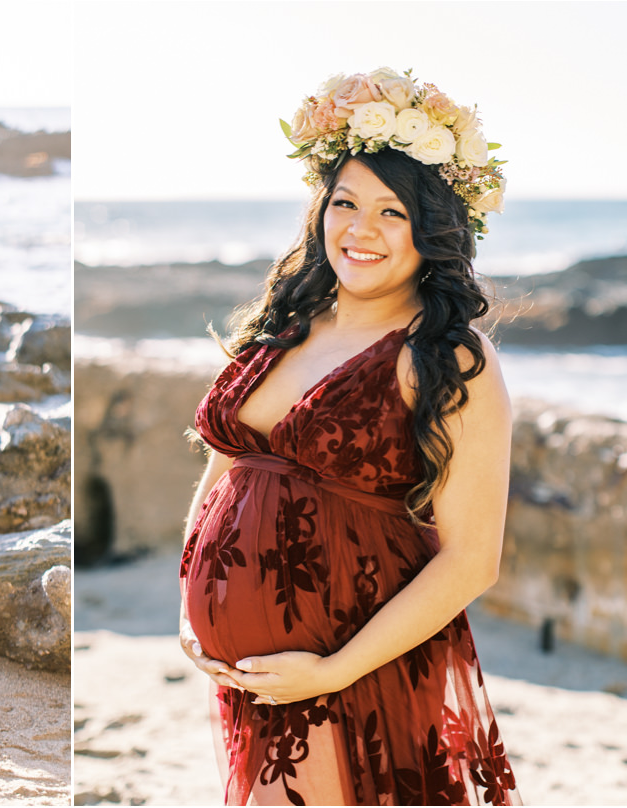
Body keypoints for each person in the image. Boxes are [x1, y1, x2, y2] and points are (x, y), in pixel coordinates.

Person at [178, 69, 519, 805]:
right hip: (255, 674)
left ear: (432, 231)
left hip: (354, 665)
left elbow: (471, 561)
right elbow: (226, 467)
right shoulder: (284, 328)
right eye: (344, 203)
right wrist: (187, 599)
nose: (359, 230)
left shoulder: (446, 359)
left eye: (391, 213)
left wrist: (334, 670)